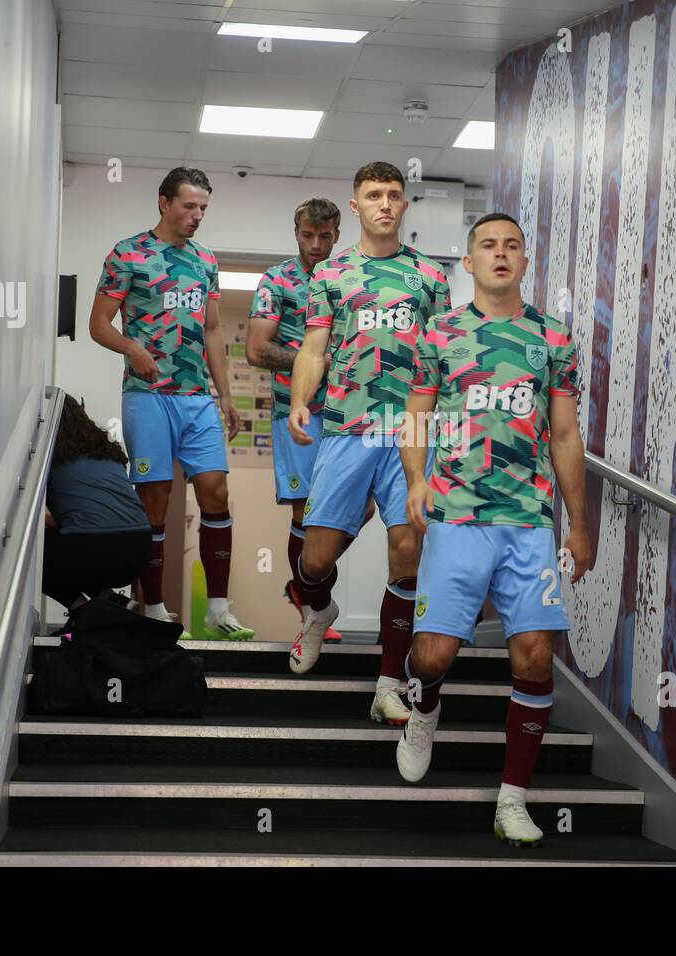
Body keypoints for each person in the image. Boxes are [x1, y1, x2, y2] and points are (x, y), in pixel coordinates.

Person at [396, 212, 592, 847]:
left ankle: (513, 797)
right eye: (488, 245)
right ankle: (423, 710)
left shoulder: (553, 339)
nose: (500, 254)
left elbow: (563, 434)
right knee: (433, 657)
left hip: (527, 525)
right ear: (470, 262)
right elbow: (417, 418)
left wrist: (578, 525)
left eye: (512, 246)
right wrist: (418, 482)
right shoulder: (438, 333)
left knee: (536, 658)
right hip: (456, 517)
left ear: (525, 263)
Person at [286, 161, 451, 728]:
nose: (385, 203)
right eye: (374, 195)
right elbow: (313, 348)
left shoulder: (430, 277)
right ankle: (316, 609)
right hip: (349, 428)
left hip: (411, 430)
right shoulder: (331, 274)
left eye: (395, 195)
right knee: (315, 557)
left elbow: (442, 357)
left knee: (407, 557)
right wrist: (300, 400)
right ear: (355, 206)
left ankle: (388, 684)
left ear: (405, 206)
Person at [89, 167, 254, 641]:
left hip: (198, 397)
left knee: (216, 491)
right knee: (155, 502)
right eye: (189, 205)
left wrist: (226, 394)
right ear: (163, 203)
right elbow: (99, 324)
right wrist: (134, 349)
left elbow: (213, 329)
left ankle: (218, 609)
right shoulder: (128, 254)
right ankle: (154, 606)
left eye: (203, 207)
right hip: (148, 397)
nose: (197, 215)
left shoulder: (205, 260)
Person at [246, 197, 371, 642]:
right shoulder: (277, 279)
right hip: (296, 412)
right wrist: (313, 363)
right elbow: (257, 350)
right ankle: (314, 608)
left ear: (338, 235)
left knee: (364, 507)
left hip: (352, 414)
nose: (315, 245)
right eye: (307, 235)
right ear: (295, 232)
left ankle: (302, 584)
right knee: (307, 512)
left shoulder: (350, 277)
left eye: (324, 236)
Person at [42, 398, 151, 617]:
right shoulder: (106, 452)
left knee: (38, 552)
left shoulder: (51, 456)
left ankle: (83, 612)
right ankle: (111, 599)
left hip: (94, 548)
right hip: (141, 549)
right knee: (81, 547)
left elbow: (45, 519)